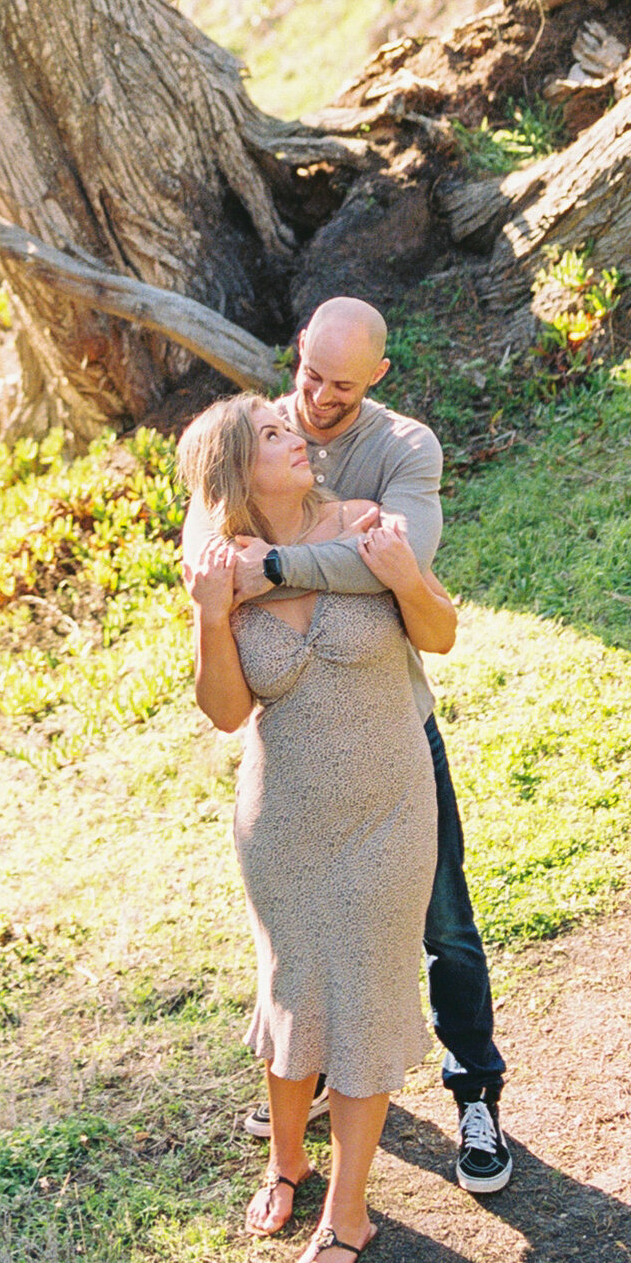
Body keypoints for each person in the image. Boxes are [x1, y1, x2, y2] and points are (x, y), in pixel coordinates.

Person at [189, 297, 512, 1200]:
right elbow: (206, 568)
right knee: (304, 948)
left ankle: (474, 1093)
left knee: (444, 927)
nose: (318, 402)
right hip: (292, 765)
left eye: (342, 385)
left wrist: (276, 566)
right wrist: (228, 589)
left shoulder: (403, 451)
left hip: (394, 734)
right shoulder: (242, 439)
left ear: (378, 376)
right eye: (308, 378)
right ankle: (312, 1097)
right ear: (295, 354)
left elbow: (406, 565)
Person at [180, 389, 459, 1263]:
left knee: (370, 990)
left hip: (387, 807)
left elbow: (442, 632)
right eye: (270, 434)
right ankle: (286, 1163)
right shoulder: (221, 568)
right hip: (284, 820)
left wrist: (405, 575)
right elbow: (226, 712)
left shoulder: (363, 528)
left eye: (286, 425)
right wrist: (209, 616)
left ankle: (348, 1214)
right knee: (292, 986)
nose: (294, 434)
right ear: (234, 471)